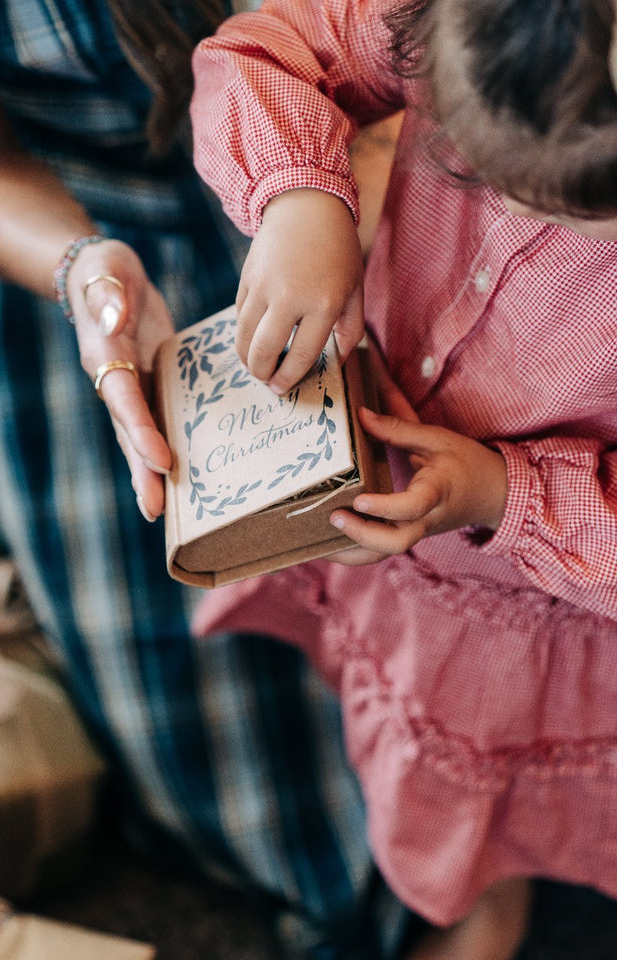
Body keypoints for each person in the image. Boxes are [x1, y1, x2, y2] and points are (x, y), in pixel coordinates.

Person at [0, 3, 386, 957]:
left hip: (346, 173)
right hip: (80, 239)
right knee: (211, 730)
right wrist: (84, 273)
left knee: (425, 549)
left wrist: (324, 193)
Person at [189, 0, 617, 958]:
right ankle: (478, 893)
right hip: (416, 568)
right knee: (436, 769)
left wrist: (502, 494)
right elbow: (265, 47)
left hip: (558, 603)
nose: (502, 211)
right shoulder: (465, 20)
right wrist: (302, 200)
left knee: (525, 773)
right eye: (466, 160)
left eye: (563, 212)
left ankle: (502, 894)